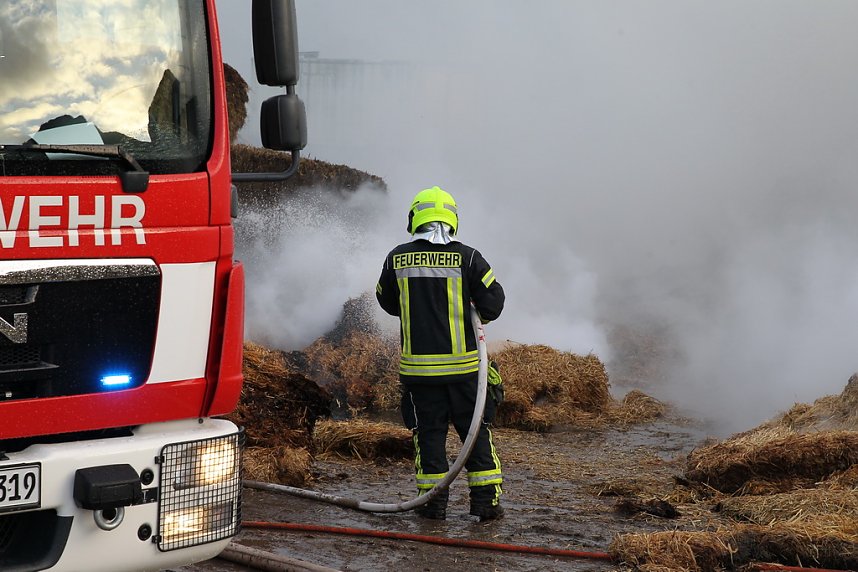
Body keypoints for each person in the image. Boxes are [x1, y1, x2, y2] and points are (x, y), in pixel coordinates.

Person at [375, 186, 506, 521]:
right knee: (475, 435)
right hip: (465, 373)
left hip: (420, 374)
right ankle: (485, 504)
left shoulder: (396, 258)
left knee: (429, 438)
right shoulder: (469, 258)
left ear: (415, 218)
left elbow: (387, 301)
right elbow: (493, 303)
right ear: (452, 219)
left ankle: (432, 505)